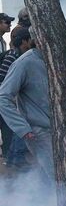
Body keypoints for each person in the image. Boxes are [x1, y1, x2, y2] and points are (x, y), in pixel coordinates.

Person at [0, 42, 54, 178]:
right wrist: (23, 129)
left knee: (55, 175)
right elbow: (3, 98)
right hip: (38, 131)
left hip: (59, 129)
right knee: (57, 176)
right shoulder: (24, 63)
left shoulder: (57, 58)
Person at [0, 28, 32, 168]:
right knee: (12, 129)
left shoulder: (20, 55)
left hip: (10, 99)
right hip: (6, 100)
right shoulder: (13, 56)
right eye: (29, 41)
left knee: (13, 129)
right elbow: (2, 78)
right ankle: (13, 159)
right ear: (24, 41)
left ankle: (13, 159)